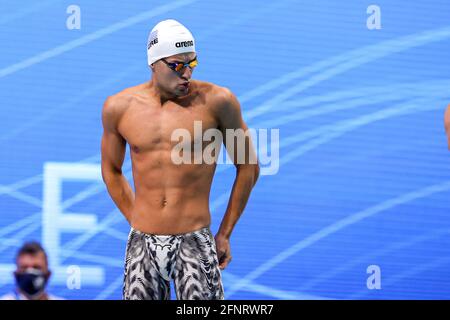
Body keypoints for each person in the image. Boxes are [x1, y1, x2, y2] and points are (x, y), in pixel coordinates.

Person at [101, 19, 259, 300]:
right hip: (142, 244)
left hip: (194, 240)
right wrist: (136, 218)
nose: (186, 73)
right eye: (177, 65)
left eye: (192, 64)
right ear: (153, 63)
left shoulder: (218, 102)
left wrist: (224, 233)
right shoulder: (119, 108)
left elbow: (248, 166)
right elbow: (112, 171)